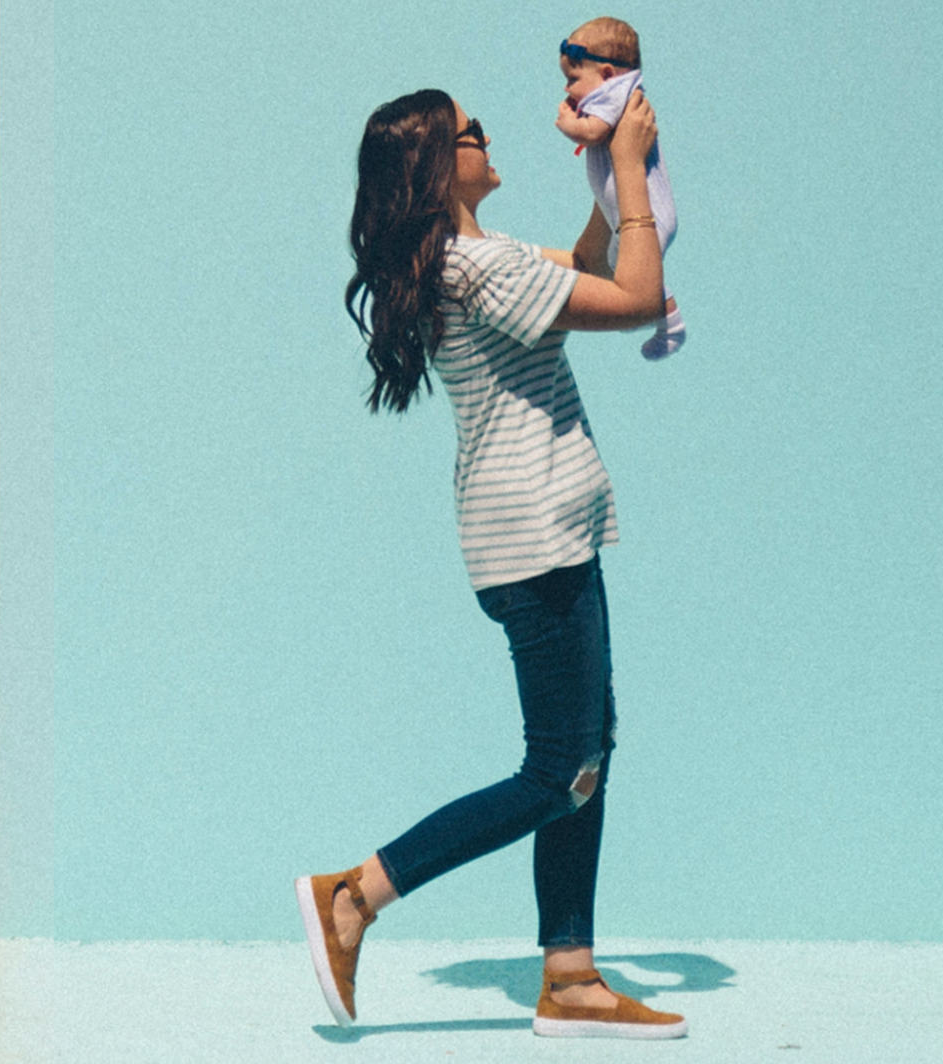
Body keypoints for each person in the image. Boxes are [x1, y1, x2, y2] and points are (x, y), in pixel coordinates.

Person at [294, 87, 688, 1041]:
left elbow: (589, 267)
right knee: (558, 769)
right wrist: (631, 171)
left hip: (535, 527)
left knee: (587, 749)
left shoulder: (478, 260)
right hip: (536, 531)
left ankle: (571, 976)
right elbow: (635, 299)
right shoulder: (476, 268)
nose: (487, 138)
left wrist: (607, 171)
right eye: (471, 132)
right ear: (438, 165)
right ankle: (356, 894)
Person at [555, 17, 685, 361]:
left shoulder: (616, 94)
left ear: (607, 73)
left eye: (573, 79)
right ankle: (656, 315)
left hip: (648, 215)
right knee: (618, 279)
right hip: (629, 217)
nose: (567, 89)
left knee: (624, 277)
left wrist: (569, 124)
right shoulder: (612, 93)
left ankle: (668, 320)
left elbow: (593, 132)